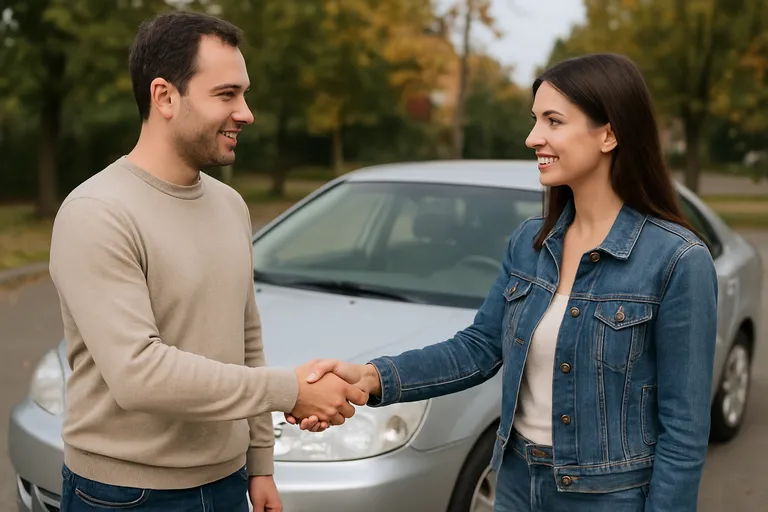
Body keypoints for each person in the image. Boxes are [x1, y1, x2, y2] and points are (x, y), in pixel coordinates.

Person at [288, 53, 718, 512]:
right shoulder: (529, 244)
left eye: (553, 121)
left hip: (608, 497)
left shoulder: (677, 260)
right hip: (515, 483)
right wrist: (371, 377)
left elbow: (684, 430)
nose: (533, 138)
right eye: (535, 121)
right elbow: (478, 347)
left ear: (609, 133)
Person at [48, 10, 366, 512]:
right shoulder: (96, 213)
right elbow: (139, 374)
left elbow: (246, 339)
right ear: (165, 97)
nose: (246, 112)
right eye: (226, 94)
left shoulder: (230, 205)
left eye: (243, 93)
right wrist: (289, 391)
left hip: (228, 482)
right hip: (126, 495)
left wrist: (260, 462)